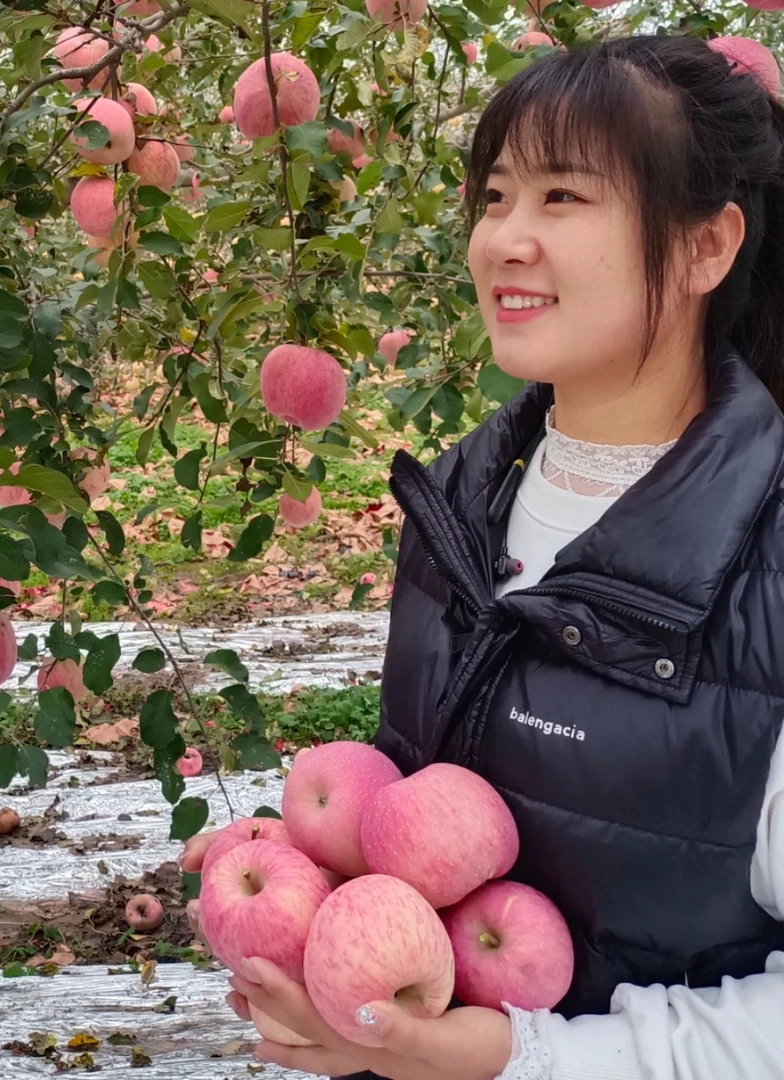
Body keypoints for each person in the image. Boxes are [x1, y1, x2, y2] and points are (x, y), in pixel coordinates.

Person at [180, 32, 784, 1080]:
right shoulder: (462, 509)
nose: (503, 238)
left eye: (562, 198)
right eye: (496, 194)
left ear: (704, 248)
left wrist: (527, 1057)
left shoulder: (766, 571)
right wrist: (317, 875)